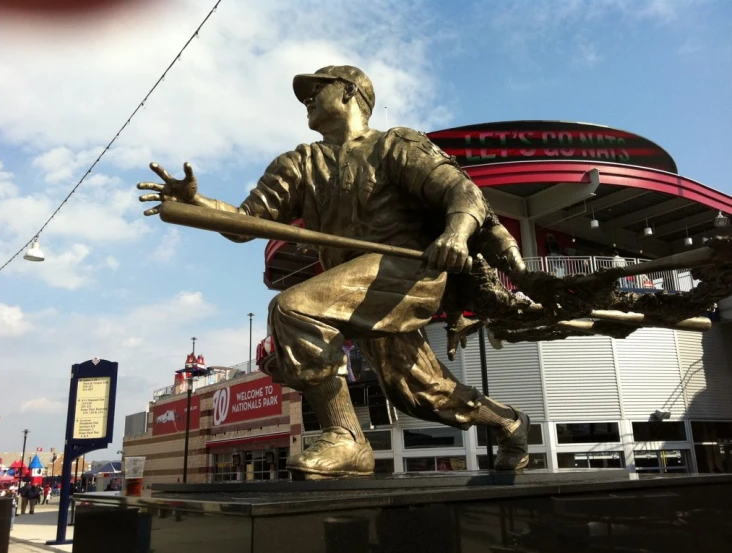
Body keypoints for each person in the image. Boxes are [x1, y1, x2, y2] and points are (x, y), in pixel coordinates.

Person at [138, 65, 530, 478]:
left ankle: (346, 437)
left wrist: (455, 232)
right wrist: (197, 201)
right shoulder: (301, 162)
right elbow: (245, 221)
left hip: (405, 271)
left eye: (316, 89)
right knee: (421, 394)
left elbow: (461, 190)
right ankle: (511, 423)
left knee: (293, 308)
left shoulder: (393, 145)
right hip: (355, 287)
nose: (307, 99)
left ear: (348, 92)